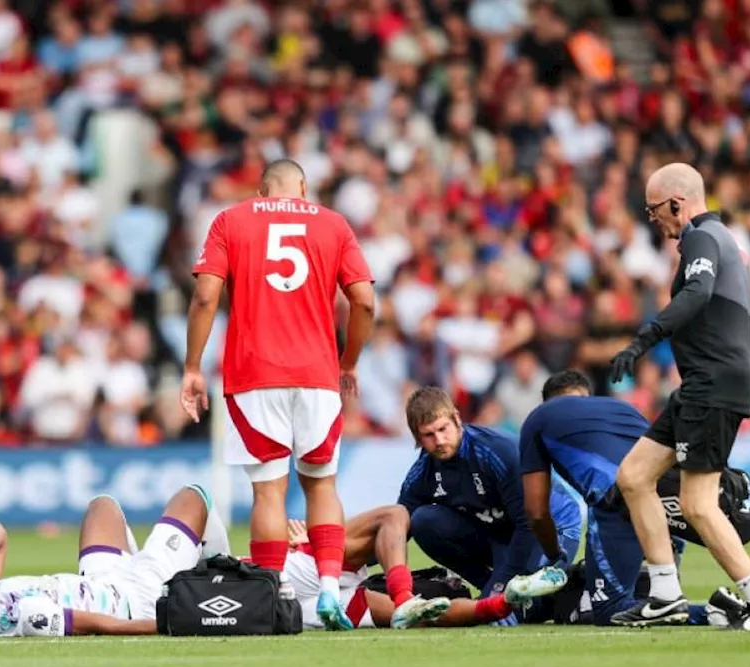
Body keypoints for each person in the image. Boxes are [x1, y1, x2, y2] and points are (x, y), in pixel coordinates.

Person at [180, 159, 377, 630]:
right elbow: (365, 300)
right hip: (317, 374)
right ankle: (330, 587)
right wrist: (348, 361)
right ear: (303, 187)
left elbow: (206, 296)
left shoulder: (232, 219)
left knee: (268, 492)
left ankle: (270, 593)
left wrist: (191, 367)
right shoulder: (333, 223)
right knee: (321, 483)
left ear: (261, 188)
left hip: (253, 375)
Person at [608, 162, 750, 630]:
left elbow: (700, 292)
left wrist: (645, 338)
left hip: (710, 385)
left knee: (698, 503)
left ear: (676, 204)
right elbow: (749, 325)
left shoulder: (701, 238)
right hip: (705, 384)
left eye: (654, 211)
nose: (654, 220)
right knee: (634, 475)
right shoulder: (731, 244)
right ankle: (665, 593)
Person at [517, 370, 749, 627]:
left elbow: (537, 511)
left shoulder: (538, 418)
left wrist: (555, 559)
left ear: (547, 401)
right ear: (587, 395)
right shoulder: (620, 407)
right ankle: (714, 605)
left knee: (609, 610)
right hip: (663, 503)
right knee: (653, 598)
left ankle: (711, 612)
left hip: (617, 501)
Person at [0, 485, 230, 637]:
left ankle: (183, 565)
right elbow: (103, 625)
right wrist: (181, 622)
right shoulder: (25, 618)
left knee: (101, 505)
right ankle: (228, 575)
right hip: (134, 599)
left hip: (99, 581)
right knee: (195, 496)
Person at [398, 387, 582, 606]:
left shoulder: (497, 451)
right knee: (422, 520)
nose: (439, 440)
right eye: (428, 434)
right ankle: (487, 587)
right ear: (417, 437)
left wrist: (501, 584)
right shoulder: (423, 471)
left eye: (443, 429)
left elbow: (528, 522)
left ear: (456, 418)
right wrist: (352, 564)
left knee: (532, 605)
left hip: (549, 528)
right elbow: (397, 526)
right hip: (502, 533)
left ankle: (579, 581)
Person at [280, 507, 564, 630]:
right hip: (293, 570)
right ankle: (403, 597)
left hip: (291, 606)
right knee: (393, 515)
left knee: (424, 615)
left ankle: (500, 604)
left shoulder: (243, 600)